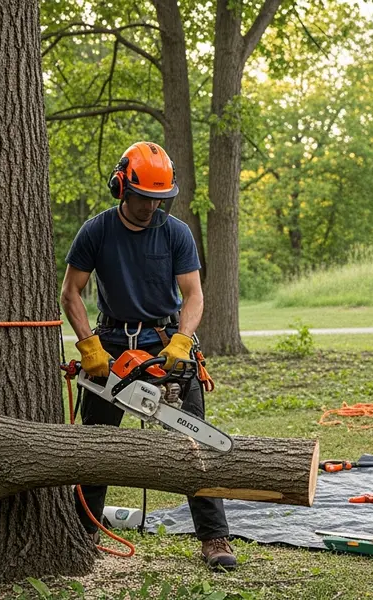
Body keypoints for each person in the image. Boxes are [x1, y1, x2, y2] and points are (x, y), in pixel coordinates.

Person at [60, 141, 235, 570]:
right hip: (112, 345)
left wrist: (182, 340)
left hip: (164, 343)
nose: (150, 208)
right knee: (96, 446)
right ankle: (84, 533)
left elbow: (193, 295)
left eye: (159, 199)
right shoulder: (96, 230)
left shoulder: (175, 232)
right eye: (143, 198)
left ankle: (214, 538)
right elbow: (71, 293)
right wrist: (89, 345)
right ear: (121, 188)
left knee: (196, 442)